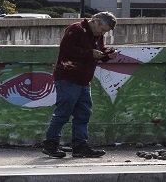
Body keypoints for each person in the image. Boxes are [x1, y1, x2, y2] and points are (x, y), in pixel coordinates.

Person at [41, 11, 119, 158]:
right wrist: (91, 53)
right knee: (63, 112)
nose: (102, 33)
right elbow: (66, 49)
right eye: (103, 29)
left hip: (84, 80)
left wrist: (107, 54)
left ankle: (80, 145)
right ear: (96, 21)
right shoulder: (76, 29)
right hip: (68, 77)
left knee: (83, 114)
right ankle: (51, 143)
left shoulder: (97, 35)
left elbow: (99, 52)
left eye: (105, 31)